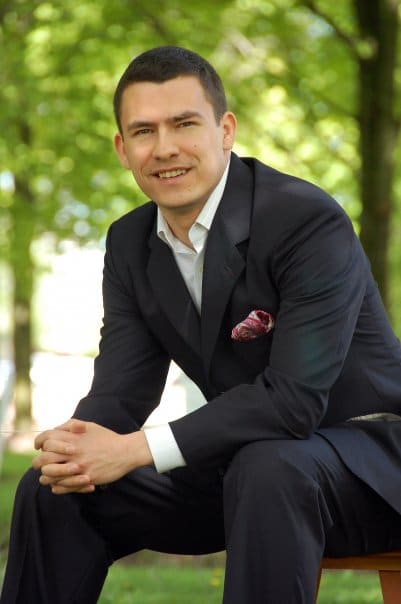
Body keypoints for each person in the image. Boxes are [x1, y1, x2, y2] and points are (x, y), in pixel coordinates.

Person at [2, 45, 401, 604]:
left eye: (184, 124)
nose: (164, 149)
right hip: (245, 467)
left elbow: (293, 402)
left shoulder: (304, 219)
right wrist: (73, 450)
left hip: (373, 467)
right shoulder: (129, 242)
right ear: (122, 148)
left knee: (269, 466)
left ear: (226, 130)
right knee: (56, 491)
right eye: (143, 131)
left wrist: (137, 449)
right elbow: (120, 394)